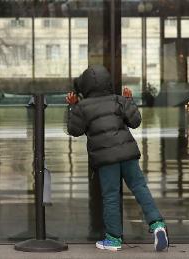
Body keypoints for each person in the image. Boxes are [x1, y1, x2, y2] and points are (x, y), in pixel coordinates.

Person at [65, 65, 169, 252]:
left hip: (106, 159)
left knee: (111, 196)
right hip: (127, 153)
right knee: (140, 188)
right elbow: (135, 122)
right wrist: (129, 100)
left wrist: (72, 106)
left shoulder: (82, 107)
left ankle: (113, 239)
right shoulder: (118, 100)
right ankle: (157, 225)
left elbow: (74, 130)